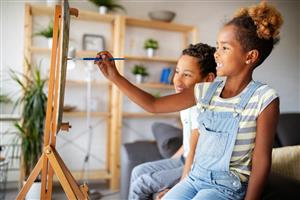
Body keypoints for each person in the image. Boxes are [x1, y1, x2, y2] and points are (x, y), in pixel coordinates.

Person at [95, 2, 283, 199]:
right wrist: (115, 77)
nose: (216, 53)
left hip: (226, 187)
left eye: (225, 48)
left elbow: (261, 161)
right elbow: (153, 105)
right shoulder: (204, 91)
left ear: (250, 56)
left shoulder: (265, 98)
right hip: (195, 178)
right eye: (217, 46)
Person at [128, 43, 216, 200]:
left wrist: (181, 185)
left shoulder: (203, 104)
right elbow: (188, 143)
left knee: (141, 184)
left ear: (208, 79)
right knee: (138, 171)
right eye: (177, 72)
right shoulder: (183, 100)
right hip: (183, 159)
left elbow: (194, 152)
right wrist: (168, 164)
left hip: (196, 166)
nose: (177, 80)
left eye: (187, 75)